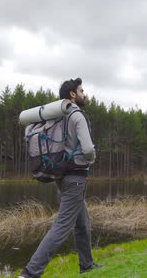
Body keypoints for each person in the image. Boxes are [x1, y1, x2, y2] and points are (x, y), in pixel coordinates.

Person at [19, 78, 103, 278]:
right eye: (81, 90)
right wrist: (92, 158)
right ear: (72, 95)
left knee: (83, 223)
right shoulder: (76, 115)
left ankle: (86, 265)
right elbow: (89, 149)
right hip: (76, 177)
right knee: (62, 227)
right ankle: (30, 273)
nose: (85, 94)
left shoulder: (57, 117)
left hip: (62, 176)